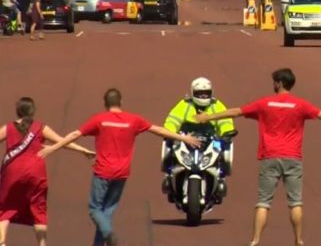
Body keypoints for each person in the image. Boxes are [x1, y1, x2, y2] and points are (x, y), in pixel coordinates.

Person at [194, 68, 321, 246]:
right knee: (295, 202)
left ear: (279, 83)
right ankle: (298, 240)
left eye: (274, 81)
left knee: (263, 202)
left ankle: (256, 240)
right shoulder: (300, 105)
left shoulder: (264, 104)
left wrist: (208, 117)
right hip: (292, 158)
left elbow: (235, 112)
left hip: (269, 157)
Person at [37, 88, 200, 246]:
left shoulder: (100, 120)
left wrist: (53, 148)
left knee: (95, 209)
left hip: (102, 172)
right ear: (121, 101)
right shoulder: (133, 120)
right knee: (106, 212)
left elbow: (75, 134)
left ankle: (109, 235)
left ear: (105, 103)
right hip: (122, 174)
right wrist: (183, 138)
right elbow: (158, 130)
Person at [0, 97, 95, 246]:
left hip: (12, 173)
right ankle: (42, 244)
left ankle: (2, 242)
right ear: (32, 111)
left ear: (17, 111)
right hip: (36, 173)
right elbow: (61, 141)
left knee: (5, 208)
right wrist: (82, 149)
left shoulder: (8, 128)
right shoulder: (40, 127)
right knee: (39, 211)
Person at [161, 77, 235, 197]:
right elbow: (173, 120)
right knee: (168, 146)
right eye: (200, 94)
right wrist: (170, 131)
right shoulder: (184, 105)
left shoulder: (217, 105)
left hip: (211, 140)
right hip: (185, 138)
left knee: (226, 151)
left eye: (206, 94)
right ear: (193, 93)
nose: (203, 97)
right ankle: (168, 176)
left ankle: (222, 177)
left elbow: (225, 121)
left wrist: (227, 132)